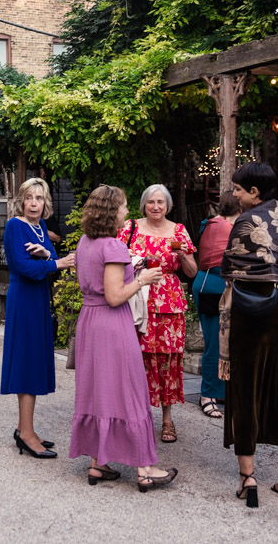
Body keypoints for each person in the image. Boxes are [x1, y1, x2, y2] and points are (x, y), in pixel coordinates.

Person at [69, 184, 177, 491]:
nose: (126, 211)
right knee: (129, 390)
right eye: (123, 206)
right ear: (110, 211)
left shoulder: (85, 243)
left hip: (89, 321)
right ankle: (145, 469)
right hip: (111, 323)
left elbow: (95, 283)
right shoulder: (113, 246)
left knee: (98, 390)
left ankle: (97, 464)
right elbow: (115, 296)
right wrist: (142, 278)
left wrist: (132, 267)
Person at [220, 162, 278, 508]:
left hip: (251, 302)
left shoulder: (246, 221)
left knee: (246, 384)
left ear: (254, 192)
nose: (234, 195)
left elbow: (228, 265)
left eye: (238, 190)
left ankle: (248, 477)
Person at [0, 177, 75, 459]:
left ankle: (25, 428)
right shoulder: (15, 226)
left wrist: (47, 255)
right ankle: (27, 434)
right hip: (24, 300)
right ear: (21, 200)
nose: (34, 203)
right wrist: (56, 262)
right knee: (27, 363)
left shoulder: (41, 227)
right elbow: (22, 266)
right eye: (30, 198)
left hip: (40, 298)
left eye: (39, 198)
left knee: (34, 360)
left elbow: (47, 260)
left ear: (46, 203)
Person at [117, 184, 197, 443]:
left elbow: (193, 272)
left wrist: (181, 255)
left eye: (161, 202)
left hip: (169, 303)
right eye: (151, 202)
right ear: (144, 204)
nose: (156, 206)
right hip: (137, 298)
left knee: (167, 361)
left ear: (168, 205)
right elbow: (116, 260)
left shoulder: (178, 231)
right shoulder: (130, 228)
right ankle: (137, 417)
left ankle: (167, 420)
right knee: (137, 358)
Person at [191, 191, 238, 418]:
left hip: (214, 284)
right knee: (214, 343)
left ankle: (219, 390)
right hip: (213, 285)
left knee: (225, 343)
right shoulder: (223, 227)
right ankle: (207, 394)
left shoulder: (209, 223)